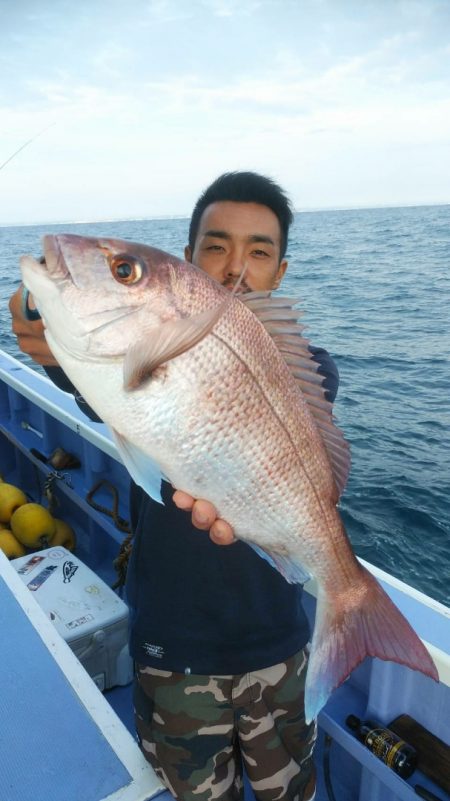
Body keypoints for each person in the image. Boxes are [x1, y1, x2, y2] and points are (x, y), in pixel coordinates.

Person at [10, 172, 339, 801]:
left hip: (279, 641)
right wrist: (47, 339)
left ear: (282, 269)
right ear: (187, 261)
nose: (236, 267)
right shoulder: (138, 347)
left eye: (259, 251)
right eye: (216, 246)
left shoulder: (310, 369)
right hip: (172, 642)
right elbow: (100, 382)